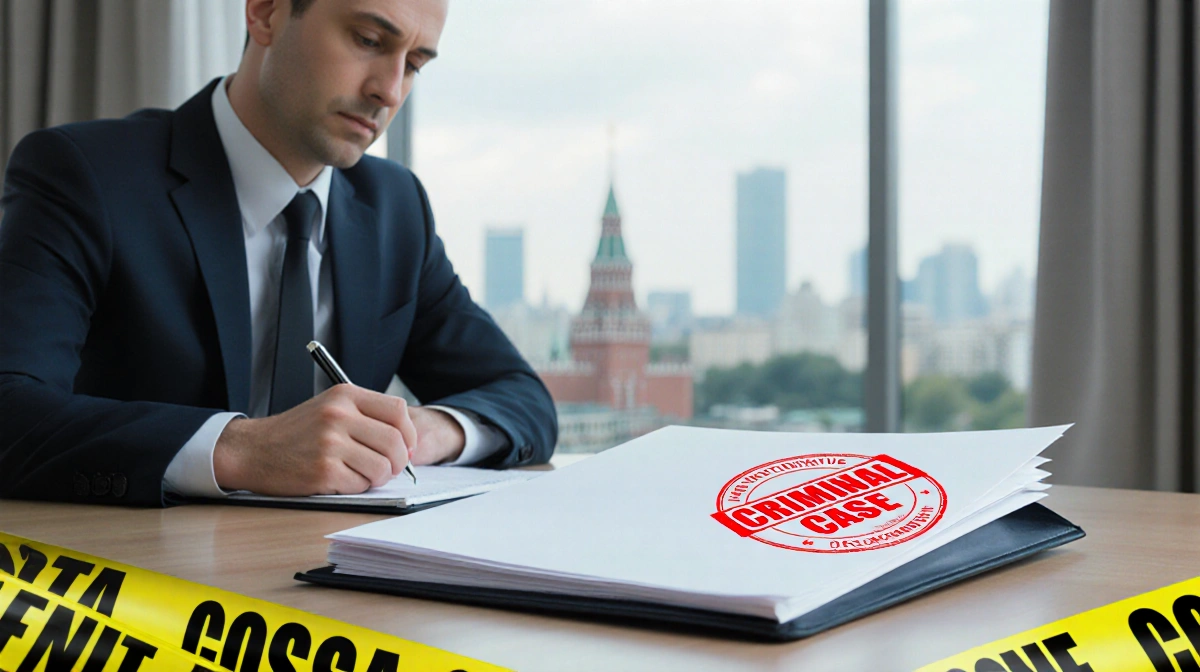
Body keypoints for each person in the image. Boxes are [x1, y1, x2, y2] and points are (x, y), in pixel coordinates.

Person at [0, 0, 557, 506]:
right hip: (132, 587)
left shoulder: (396, 209)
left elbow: (522, 397)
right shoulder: (85, 174)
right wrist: (243, 449)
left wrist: (426, 432)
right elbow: (10, 408)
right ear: (265, 13)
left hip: (335, 576)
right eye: (368, 40)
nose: (389, 90)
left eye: (413, 65)